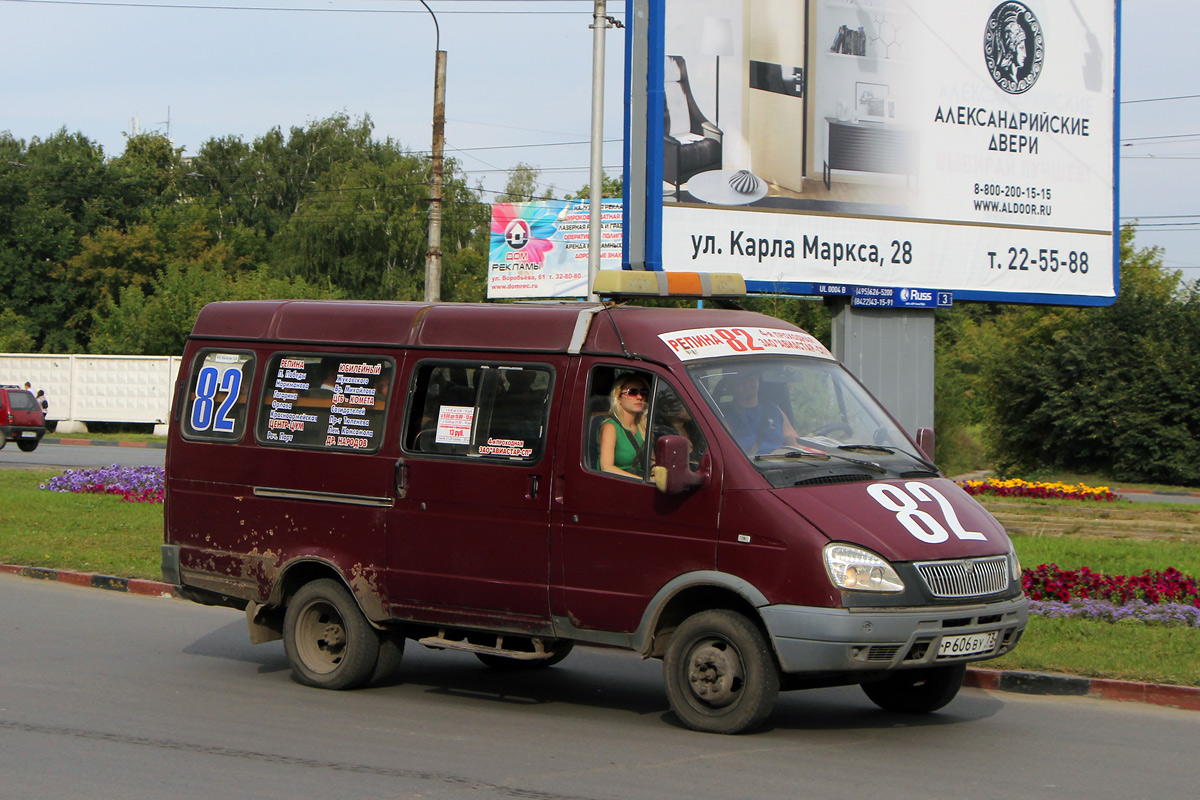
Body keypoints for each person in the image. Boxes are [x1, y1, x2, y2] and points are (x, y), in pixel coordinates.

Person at [722, 369, 800, 456]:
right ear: (728, 386)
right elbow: (727, 453)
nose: (747, 383)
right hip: (750, 467)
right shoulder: (723, 417)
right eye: (740, 381)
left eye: (751, 378)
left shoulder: (773, 409)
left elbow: (795, 441)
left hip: (782, 465)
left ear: (758, 379)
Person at [598, 374, 649, 478]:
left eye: (643, 392)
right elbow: (606, 467)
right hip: (617, 486)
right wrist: (643, 481)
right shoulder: (610, 427)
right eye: (632, 392)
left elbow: (652, 462)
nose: (639, 397)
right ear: (618, 397)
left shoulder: (644, 426)